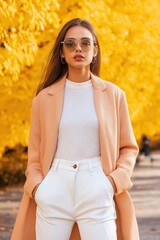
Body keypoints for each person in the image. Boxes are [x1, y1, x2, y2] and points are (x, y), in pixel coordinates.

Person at [11, 18, 139, 240]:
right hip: (54, 188)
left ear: (95, 50)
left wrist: (111, 183)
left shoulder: (114, 95)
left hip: (97, 186)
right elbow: (34, 155)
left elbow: (128, 147)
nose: (78, 48)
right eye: (70, 43)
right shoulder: (43, 98)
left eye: (86, 43)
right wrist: (39, 189)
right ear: (62, 52)